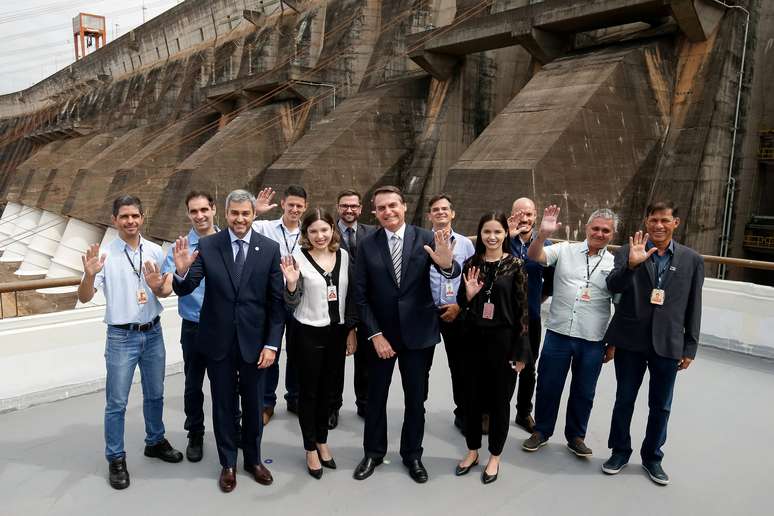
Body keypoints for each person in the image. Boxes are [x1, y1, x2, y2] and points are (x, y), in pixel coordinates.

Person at [172, 189, 285, 493]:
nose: (239, 219)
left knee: (253, 404)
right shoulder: (209, 247)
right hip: (218, 342)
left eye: (245, 213)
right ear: (226, 214)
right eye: (234, 213)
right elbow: (186, 287)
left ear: (252, 215)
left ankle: (254, 460)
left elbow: (277, 305)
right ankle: (228, 464)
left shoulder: (269, 249)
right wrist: (181, 272)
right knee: (222, 405)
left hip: (256, 344)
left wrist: (272, 345)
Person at [352, 185, 459, 484]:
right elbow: (360, 296)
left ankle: (412, 454)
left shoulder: (427, 239)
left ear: (404, 206)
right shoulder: (367, 244)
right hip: (381, 337)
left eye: (393, 206)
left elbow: (449, 273)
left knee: (416, 399)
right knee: (375, 398)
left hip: (418, 336)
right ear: (375, 212)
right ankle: (373, 452)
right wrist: (375, 335)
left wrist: (447, 264)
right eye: (381, 207)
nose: (388, 212)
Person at [77, 195, 183, 490]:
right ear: (115, 220)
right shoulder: (106, 256)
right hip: (121, 337)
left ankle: (155, 440)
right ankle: (116, 458)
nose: (130, 221)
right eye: (124, 216)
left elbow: (163, 293)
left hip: (152, 332)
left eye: (135, 215)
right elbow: (84, 296)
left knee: (155, 394)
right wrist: (88, 275)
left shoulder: (155, 251)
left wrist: (158, 287)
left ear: (142, 217)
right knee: (117, 402)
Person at [602, 201, 704, 486]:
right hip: (630, 341)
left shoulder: (691, 259)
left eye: (665, 220)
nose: (658, 225)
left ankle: (652, 457)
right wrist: (632, 266)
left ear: (676, 223)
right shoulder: (628, 250)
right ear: (646, 222)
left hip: (668, 343)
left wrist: (690, 346)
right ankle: (619, 451)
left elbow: (694, 305)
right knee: (624, 400)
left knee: (661, 405)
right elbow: (613, 286)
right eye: (653, 220)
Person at [145, 190, 241, 462]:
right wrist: (157, 287)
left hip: (227, 326)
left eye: (204, 210)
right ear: (188, 214)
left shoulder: (230, 241)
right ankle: (195, 433)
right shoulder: (182, 247)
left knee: (229, 384)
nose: (199, 216)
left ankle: (234, 428)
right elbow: (166, 288)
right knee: (193, 384)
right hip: (195, 326)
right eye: (193, 211)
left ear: (213, 210)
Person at [522, 206, 617, 458]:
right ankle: (541, 431)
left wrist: (614, 343)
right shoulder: (564, 250)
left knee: (584, 391)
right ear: (586, 228)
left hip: (593, 338)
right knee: (548, 385)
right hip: (559, 332)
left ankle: (576, 436)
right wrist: (542, 235)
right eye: (595, 228)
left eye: (605, 230)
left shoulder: (615, 263)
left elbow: (620, 304)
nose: (599, 233)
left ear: (612, 234)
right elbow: (534, 256)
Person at [281, 209, 358, 479]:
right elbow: (290, 303)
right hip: (307, 333)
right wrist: (291, 285)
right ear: (306, 234)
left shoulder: (345, 257)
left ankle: (322, 441)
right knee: (309, 393)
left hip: (336, 333)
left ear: (332, 230)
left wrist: (351, 330)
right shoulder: (297, 260)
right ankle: (310, 447)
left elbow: (351, 297)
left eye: (324, 230)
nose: (320, 236)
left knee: (329, 392)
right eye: (313, 231)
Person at [454, 212, 530, 484]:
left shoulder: (516, 265)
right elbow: (461, 305)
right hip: (473, 340)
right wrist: (469, 295)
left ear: (505, 234)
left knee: (500, 402)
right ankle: (472, 450)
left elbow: (523, 311)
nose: (492, 236)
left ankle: (495, 456)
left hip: (504, 342)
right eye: (487, 231)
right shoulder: (470, 263)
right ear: (480, 234)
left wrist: (522, 352)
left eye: (497, 231)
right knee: (471, 399)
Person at [252, 185, 307, 424]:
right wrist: (255, 211)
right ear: (283, 203)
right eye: (291, 204)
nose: (294, 209)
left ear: (305, 208)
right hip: (271, 299)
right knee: (269, 350)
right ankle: (266, 402)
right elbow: (236, 229)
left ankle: (294, 397)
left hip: (299, 300)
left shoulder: (309, 232)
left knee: (298, 352)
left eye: (299, 206)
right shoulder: (264, 227)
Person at [426, 194, 475, 431]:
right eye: (435, 209)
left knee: (460, 364)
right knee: (420, 365)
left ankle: (463, 411)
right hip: (426, 312)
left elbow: (472, 279)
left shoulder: (465, 244)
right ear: (429, 215)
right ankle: (417, 408)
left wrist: (459, 305)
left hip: (455, 311)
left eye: (445, 209)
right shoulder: (421, 242)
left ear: (452, 213)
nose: (440, 212)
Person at [507, 197, 552, 433]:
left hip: (531, 317)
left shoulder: (547, 243)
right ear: (511, 215)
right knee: (498, 364)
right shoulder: (502, 240)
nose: (524, 219)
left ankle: (523, 412)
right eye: (519, 214)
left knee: (529, 367)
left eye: (529, 214)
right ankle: (492, 409)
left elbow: (551, 280)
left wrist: (536, 300)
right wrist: (507, 236)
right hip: (504, 317)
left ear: (535, 217)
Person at [332, 189, 375, 425]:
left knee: (366, 360)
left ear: (360, 209)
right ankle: (332, 407)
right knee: (335, 361)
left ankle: (364, 403)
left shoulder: (373, 233)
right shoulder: (328, 232)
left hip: (366, 304)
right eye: (344, 206)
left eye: (353, 206)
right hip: (336, 305)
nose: (349, 210)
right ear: (338, 207)